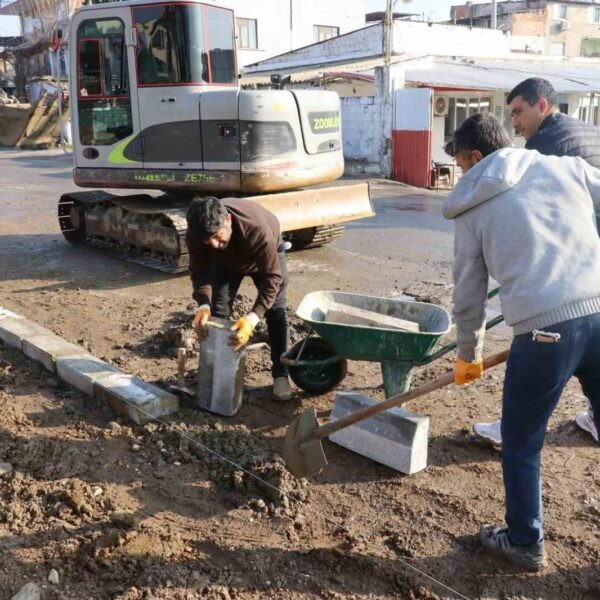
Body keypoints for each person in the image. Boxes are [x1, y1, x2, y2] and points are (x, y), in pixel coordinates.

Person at [443, 112, 600, 570]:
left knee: (521, 439)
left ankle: (525, 540)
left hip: (545, 331)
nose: (460, 174)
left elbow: (468, 293)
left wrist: (468, 354)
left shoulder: (471, 205)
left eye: (459, 164)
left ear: (475, 157)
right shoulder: (563, 166)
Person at [474, 76, 600, 445]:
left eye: (518, 112)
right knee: (590, 353)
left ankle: (513, 425)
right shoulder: (584, 129)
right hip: (591, 263)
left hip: (577, 264)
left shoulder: (545, 146)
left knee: (541, 332)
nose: (514, 122)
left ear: (541, 105)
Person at [186, 196, 292, 401]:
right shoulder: (196, 234)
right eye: (208, 242)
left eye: (217, 236)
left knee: (276, 311)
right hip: (226, 264)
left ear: (228, 219)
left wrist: (252, 318)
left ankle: (281, 374)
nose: (215, 245)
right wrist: (203, 304)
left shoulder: (255, 228)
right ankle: (221, 372)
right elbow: (200, 272)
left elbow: (272, 278)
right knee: (218, 313)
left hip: (265, 256)